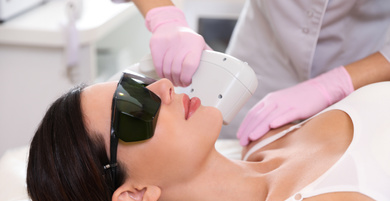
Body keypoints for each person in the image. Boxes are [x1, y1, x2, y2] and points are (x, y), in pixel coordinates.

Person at [27, 73, 390, 201]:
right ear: (136, 193)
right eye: (132, 108)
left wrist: (346, 78)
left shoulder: (265, 137)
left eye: (136, 84)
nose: (164, 87)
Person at [112, 0, 390, 145]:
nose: (165, 89)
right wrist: (163, 16)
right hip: (267, 53)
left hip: (371, 60)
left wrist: (337, 84)